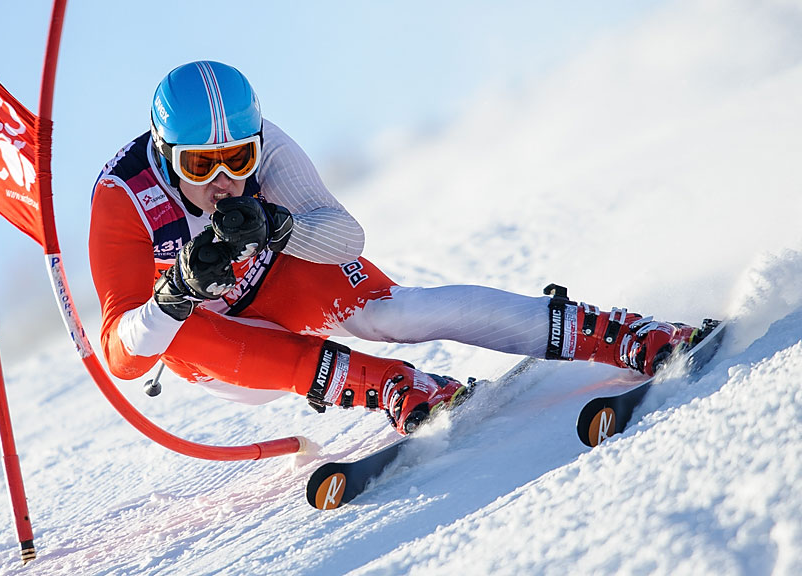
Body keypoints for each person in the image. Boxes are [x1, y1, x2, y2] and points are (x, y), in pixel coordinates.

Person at [88, 61, 699, 435]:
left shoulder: (268, 145)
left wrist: (278, 227)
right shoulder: (124, 198)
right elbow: (122, 358)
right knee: (179, 333)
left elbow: (346, 238)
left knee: (389, 311)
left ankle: (612, 332)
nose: (222, 179)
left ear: (255, 141)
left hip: (277, 279)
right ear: (166, 154)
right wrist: (176, 293)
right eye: (199, 164)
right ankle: (387, 385)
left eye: (238, 159)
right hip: (223, 349)